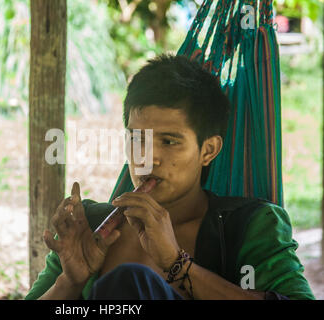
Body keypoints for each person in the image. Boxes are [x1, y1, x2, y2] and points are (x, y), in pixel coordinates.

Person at [25, 53, 315, 300]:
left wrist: (178, 265)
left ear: (208, 150)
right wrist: (69, 282)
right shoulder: (90, 226)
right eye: (138, 139)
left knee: (132, 280)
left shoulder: (250, 226)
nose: (149, 157)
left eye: (170, 141)